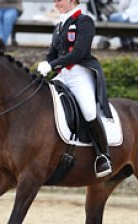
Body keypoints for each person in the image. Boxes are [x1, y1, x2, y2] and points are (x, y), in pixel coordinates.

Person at [37, 0, 112, 178]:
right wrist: (45, 66)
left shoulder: (85, 21)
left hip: (79, 74)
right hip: (62, 75)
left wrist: (52, 64)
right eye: (54, 0)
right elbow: (52, 54)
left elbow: (78, 52)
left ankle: (103, 155)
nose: (56, 3)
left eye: (59, 0)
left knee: (88, 111)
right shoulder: (59, 25)